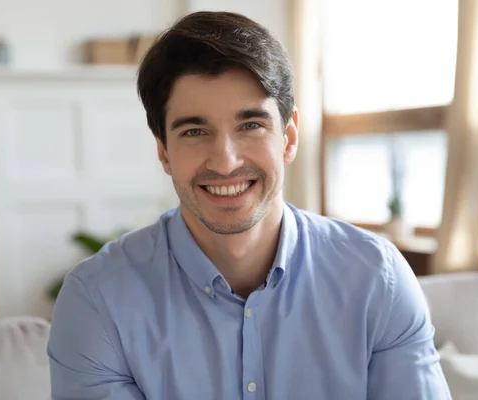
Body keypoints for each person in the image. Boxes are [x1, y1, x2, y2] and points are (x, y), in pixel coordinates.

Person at [47, 11, 452, 400]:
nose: (225, 161)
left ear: (289, 138)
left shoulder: (376, 279)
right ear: (164, 152)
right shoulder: (97, 300)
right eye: (194, 131)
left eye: (251, 125)